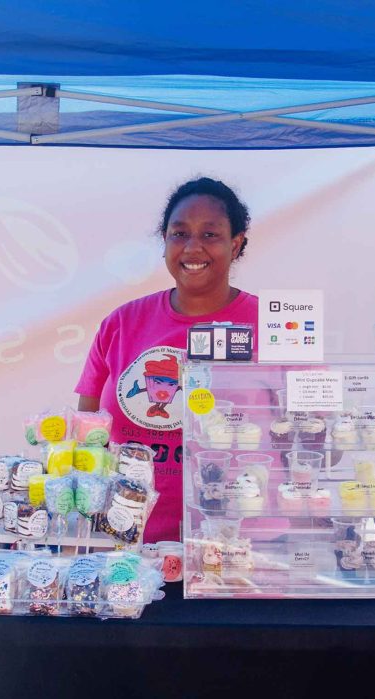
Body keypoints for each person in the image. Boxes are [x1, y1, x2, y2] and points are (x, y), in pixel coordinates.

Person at [75, 177, 258, 542]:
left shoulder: (268, 325)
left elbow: (312, 441)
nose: (193, 248)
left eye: (210, 235)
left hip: (238, 548)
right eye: (179, 234)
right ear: (164, 242)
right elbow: (87, 438)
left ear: (235, 244)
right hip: (130, 547)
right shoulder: (122, 323)